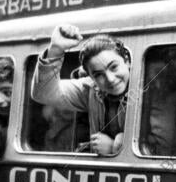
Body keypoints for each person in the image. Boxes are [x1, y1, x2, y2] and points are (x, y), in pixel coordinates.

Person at [31, 24, 131, 156]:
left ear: (127, 61)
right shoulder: (91, 90)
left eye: (114, 67)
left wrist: (115, 146)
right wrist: (55, 50)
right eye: (98, 75)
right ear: (91, 78)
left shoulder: (150, 85)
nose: (110, 79)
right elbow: (43, 93)